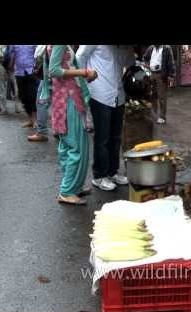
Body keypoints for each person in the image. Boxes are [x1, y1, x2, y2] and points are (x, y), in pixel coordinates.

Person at [76, 45, 135, 191]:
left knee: (116, 137)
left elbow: (130, 63)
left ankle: (112, 172)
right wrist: (83, 81)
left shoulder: (122, 47)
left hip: (118, 94)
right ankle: (99, 176)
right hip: (99, 92)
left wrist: (129, 50)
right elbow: (80, 57)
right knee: (103, 138)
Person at [46, 45, 97, 205]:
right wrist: (83, 72)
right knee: (77, 147)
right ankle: (67, 191)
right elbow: (54, 70)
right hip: (68, 99)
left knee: (68, 146)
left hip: (65, 98)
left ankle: (74, 187)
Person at [143, 45, 175, 124]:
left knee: (162, 96)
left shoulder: (166, 49)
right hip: (151, 74)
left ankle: (162, 117)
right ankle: (154, 115)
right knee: (153, 95)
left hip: (161, 74)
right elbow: (144, 58)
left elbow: (171, 62)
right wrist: (147, 65)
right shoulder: (151, 48)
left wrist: (171, 75)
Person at [8, 45, 38, 128]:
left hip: (31, 71)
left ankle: (35, 120)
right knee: (23, 97)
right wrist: (11, 65)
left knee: (32, 96)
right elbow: (12, 54)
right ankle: (30, 119)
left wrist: (37, 67)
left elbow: (38, 54)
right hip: (19, 72)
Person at [27, 45, 49, 142]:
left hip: (49, 75)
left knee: (41, 102)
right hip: (50, 75)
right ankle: (59, 129)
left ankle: (42, 132)